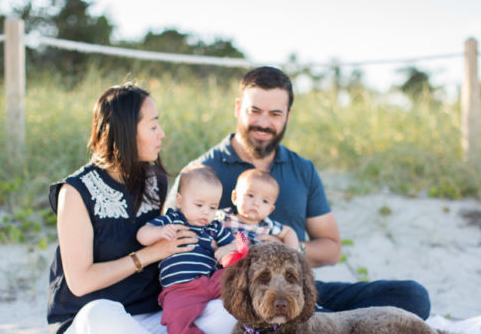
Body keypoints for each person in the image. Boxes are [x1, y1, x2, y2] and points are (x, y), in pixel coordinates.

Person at [173, 66, 431, 319]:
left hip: (296, 290)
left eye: (275, 114)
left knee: (412, 296)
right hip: (236, 295)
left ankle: (331, 323)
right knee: (303, 320)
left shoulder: (302, 169)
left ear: (288, 115)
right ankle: (331, 326)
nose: (263, 123)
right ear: (238, 107)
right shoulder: (202, 171)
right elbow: (174, 241)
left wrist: (286, 250)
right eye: (255, 111)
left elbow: (330, 249)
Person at [47, 84, 235, 334]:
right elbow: (80, 282)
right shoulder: (75, 192)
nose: (161, 134)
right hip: (92, 329)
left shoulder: (154, 179)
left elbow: (173, 239)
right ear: (124, 132)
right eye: (153, 126)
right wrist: (148, 255)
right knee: (101, 315)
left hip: (153, 318)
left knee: (232, 307)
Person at [136, 165, 234, 334]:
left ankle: (258, 328)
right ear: (180, 201)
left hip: (210, 280)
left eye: (212, 207)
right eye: (199, 205)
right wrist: (161, 232)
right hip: (180, 289)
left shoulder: (213, 227)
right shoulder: (173, 220)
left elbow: (240, 240)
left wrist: (228, 249)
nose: (206, 212)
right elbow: (142, 235)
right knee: (174, 320)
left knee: (239, 278)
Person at [217, 168, 299, 249]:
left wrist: (291, 252)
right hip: (228, 258)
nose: (256, 203)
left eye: (265, 201)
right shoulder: (224, 217)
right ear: (235, 197)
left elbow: (288, 232)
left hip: (257, 261)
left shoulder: (267, 225)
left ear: (270, 210)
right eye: (250, 195)